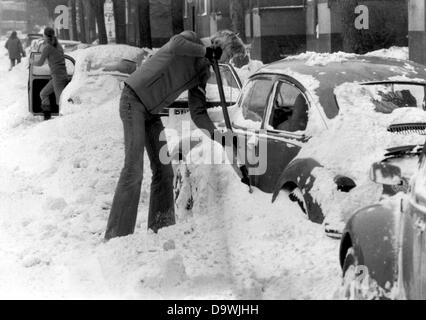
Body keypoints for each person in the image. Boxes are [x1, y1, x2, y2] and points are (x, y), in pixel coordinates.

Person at [105, 30, 246, 240]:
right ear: (222, 46)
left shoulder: (202, 72)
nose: (229, 61)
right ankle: (116, 236)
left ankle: (160, 229)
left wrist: (221, 138)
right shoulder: (190, 39)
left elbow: (198, 113)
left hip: (151, 112)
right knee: (133, 169)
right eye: (230, 55)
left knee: (164, 171)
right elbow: (175, 45)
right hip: (133, 99)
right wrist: (205, 50)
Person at [33, 27, 68, 121]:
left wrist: (32, 62)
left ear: (45, 35)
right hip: (61, 74)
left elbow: (40, 63)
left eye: (43, 35)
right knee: (43, 93)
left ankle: (65, 121)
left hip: (57, 76)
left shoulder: (47, 47)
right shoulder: (58, 45)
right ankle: (47, 117)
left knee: (60, 101)